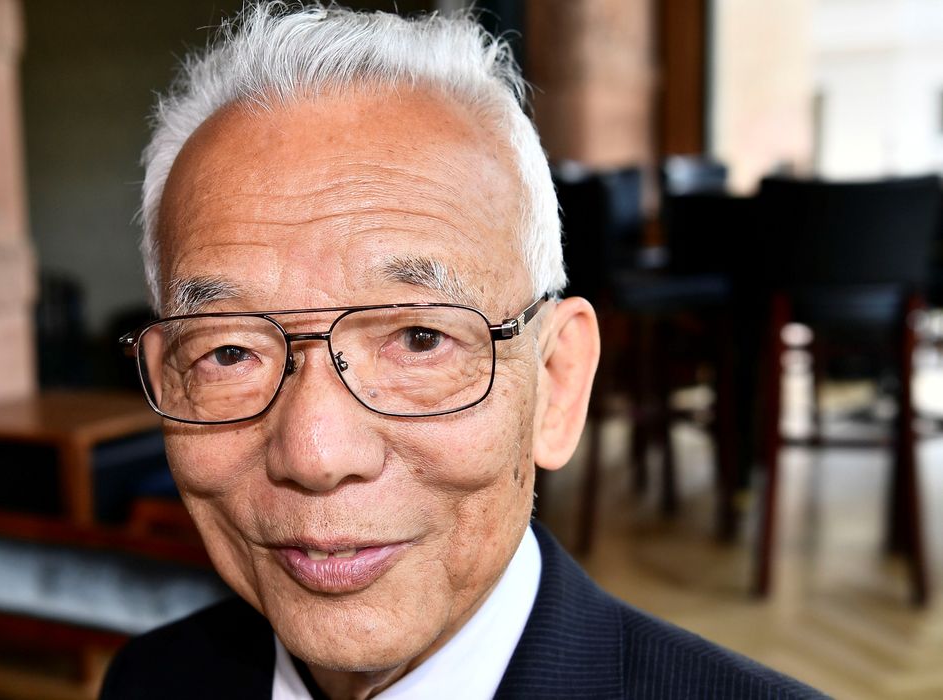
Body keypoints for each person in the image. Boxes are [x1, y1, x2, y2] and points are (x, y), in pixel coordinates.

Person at [103, 3, 824, 698]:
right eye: (229, 352)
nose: (316, 453)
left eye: (420, 339)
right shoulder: (150, 680)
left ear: (556, 381)